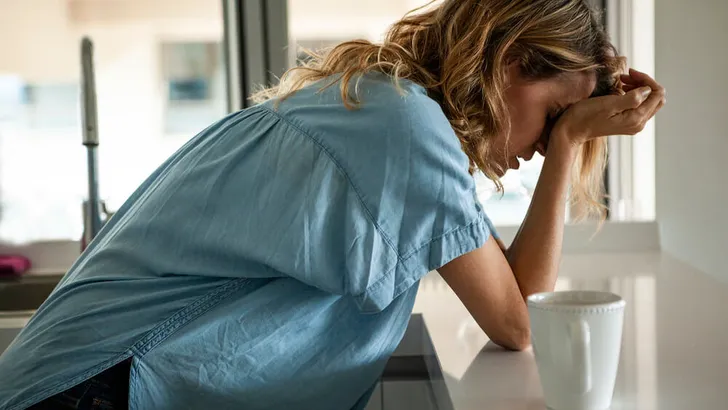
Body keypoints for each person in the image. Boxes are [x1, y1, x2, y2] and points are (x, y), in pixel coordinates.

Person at [0, 0, 665, 409]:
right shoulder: (406, 131)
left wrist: (572, 120)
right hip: (94, 390)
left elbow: (517, 303)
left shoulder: (385, 105)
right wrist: (578, 135)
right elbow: (521, 322)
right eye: (550, 119)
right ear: (513, 63)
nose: (545, 149)